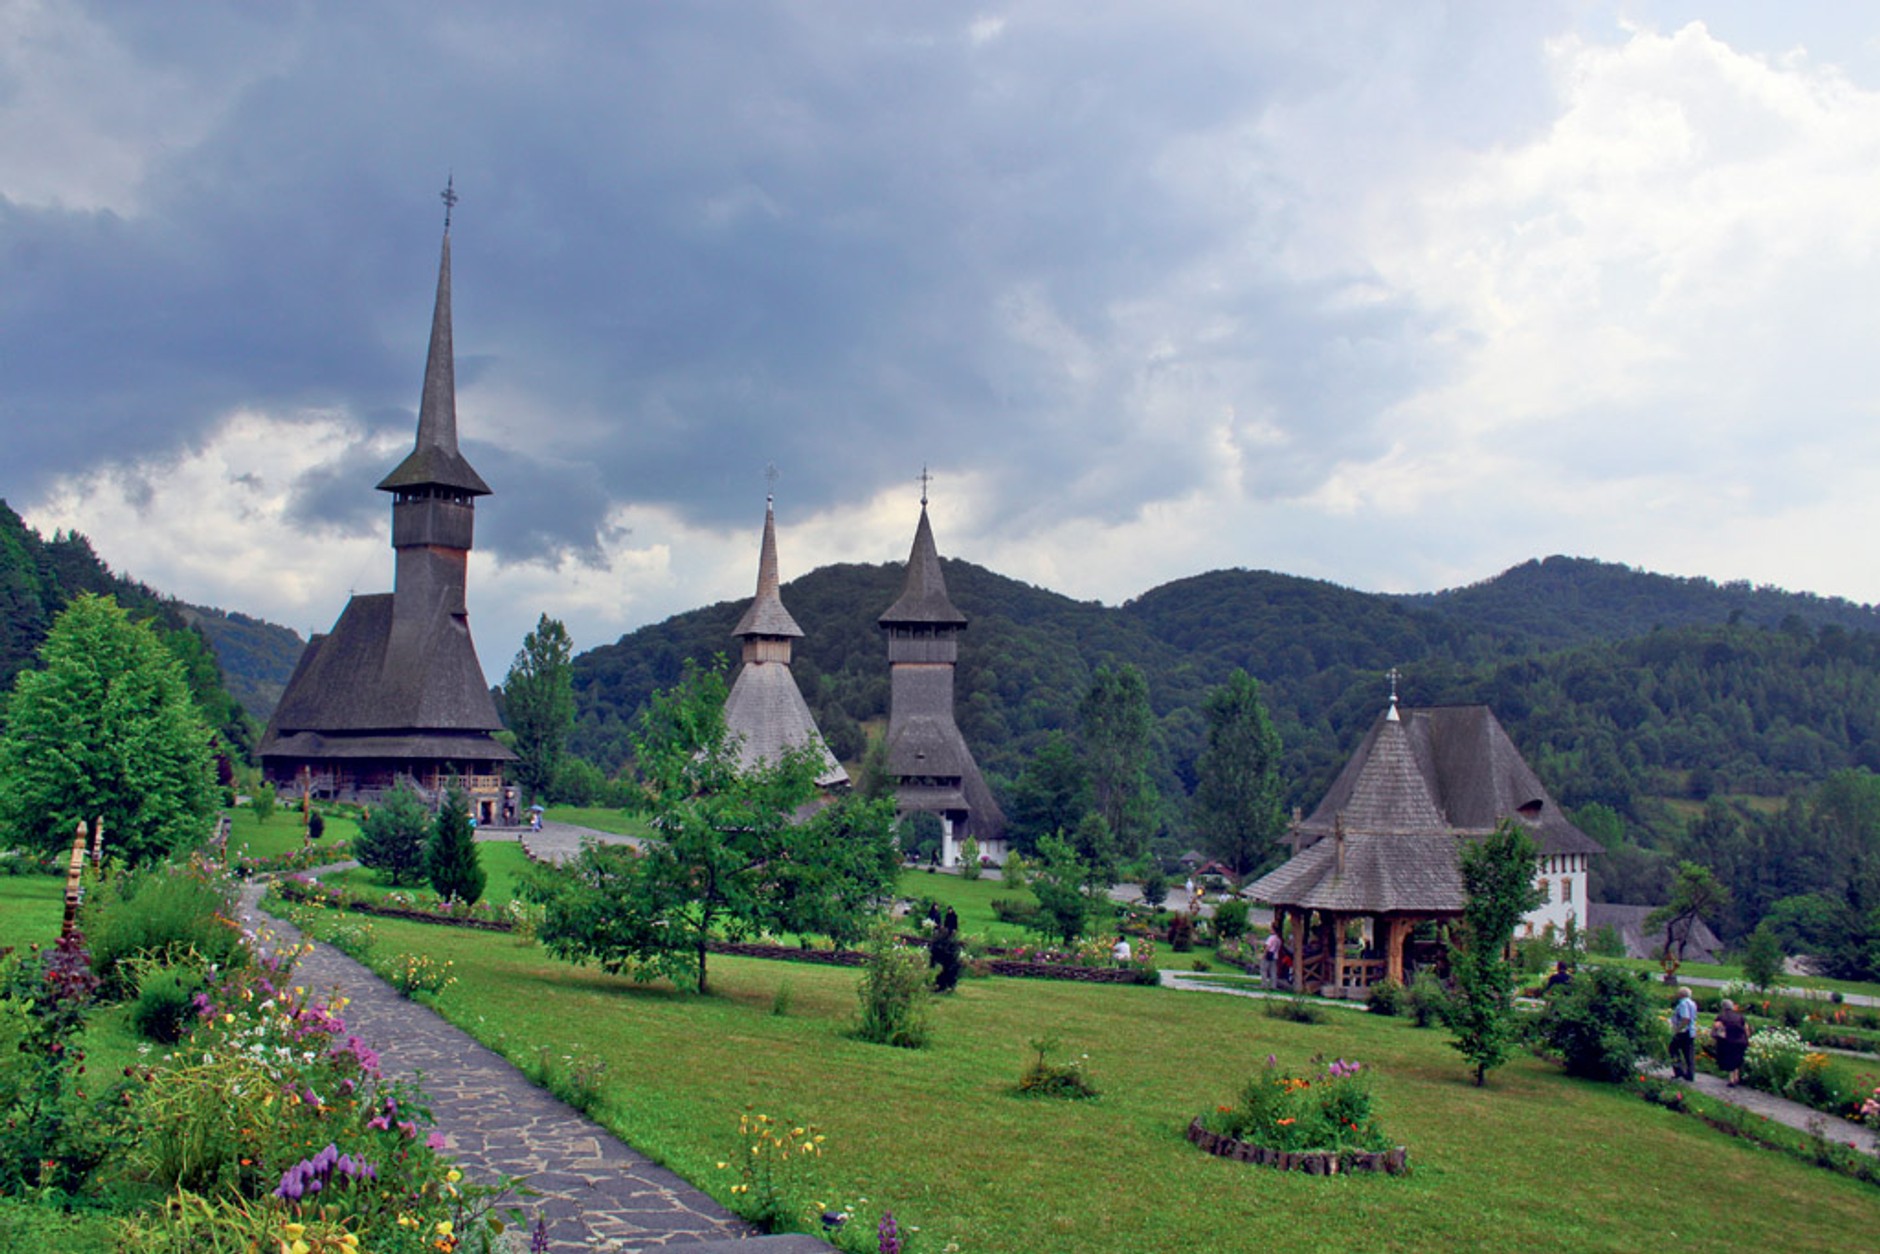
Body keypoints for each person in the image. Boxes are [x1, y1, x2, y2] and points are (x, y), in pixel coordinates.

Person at [1713, 998, 1752, 1087]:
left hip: (1729, 1041)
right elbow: (1746, 1028)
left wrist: (1716, 1036)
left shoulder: (1721, 1016)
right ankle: (1736, 1077)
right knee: (1737, 1059)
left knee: (1730, 1059)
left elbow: (1717, 1027)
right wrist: (1747, 1039)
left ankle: (1732, 1079)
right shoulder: (1740, 1016)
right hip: (1742, 1041)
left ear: (1723, 1007)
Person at [1670, 985, 1699, 1081]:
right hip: (1691, 1031)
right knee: (1689, 1053)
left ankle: (1679, 1071)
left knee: (1673, 1049)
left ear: (1682, 994)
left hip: (1683, 1032)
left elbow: (1685, 1018)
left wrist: (1677, 1029)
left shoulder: (1683, 1004)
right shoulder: (1692, 1003)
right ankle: (1690, 1074)